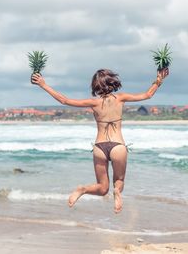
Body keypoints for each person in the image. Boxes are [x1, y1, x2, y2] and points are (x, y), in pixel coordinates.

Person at [31, 67, 169, 213]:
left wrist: (43, 84)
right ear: (112, 82)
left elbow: (64, 100)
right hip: (118, 146)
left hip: (100, 147)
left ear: (95, 85)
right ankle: (117, 192)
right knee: (119, 181)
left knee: (102, 188)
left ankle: (82, 189)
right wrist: (159, 80)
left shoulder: (93, 102)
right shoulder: (121, 98)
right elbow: (148, 95)